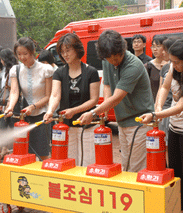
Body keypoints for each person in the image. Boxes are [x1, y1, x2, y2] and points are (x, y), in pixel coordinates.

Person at [78, 30, 154, 172]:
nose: (114, 61)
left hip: (139, 122)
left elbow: (117, 97)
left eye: (117, 57)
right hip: (122, 121)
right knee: (126, 164)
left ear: (123, 49)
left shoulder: (133, 65)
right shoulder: (107, 60)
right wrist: (105, 108)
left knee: (136, 167)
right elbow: (107, 85)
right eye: (110, 59)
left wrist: (93, 112)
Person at [138, 39, 183, 211]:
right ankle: (177, 203)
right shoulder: (173, 68)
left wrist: (155, 115)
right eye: (172, 61)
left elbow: (180, 105)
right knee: (174, 168)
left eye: (177, 62)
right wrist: (157, 106)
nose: (174, 65)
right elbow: (164, 88)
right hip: (174, 127)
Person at [43, 33, 100, 167]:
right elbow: (55, 95)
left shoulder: (91, 72)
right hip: (67, 126)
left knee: (88, 162)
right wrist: (50, 111)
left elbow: (94, 100)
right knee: (70, 162)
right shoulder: (59, 72)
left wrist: (74, 110)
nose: (65, 55)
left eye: (68, 50)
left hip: (88, 125)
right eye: (62, 52)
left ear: (77, 49)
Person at [5, 37, 54, 161]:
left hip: (43, 116)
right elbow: (14, 91)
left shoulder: (46, 69)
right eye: (19, 54)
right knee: (25, 152)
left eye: (25, 53)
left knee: (43, 154)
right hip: (25, 117)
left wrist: (33, 107)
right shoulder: (15, 70)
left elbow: (48, 96)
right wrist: (10, 107)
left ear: (33, 52)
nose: (22, 57)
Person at [0, 48, 18, 129]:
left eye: (1, 59)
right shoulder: (6, 70)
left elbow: (12, 90)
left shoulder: (13, 70)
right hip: (7, 104)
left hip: (12, 104)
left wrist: (8, 104)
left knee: (10, 127)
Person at [145, 35, 168, 101]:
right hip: (154, 103)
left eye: (158, 46)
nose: (155, 49)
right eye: (153, 46)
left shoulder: (173, 64)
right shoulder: (148, 66)